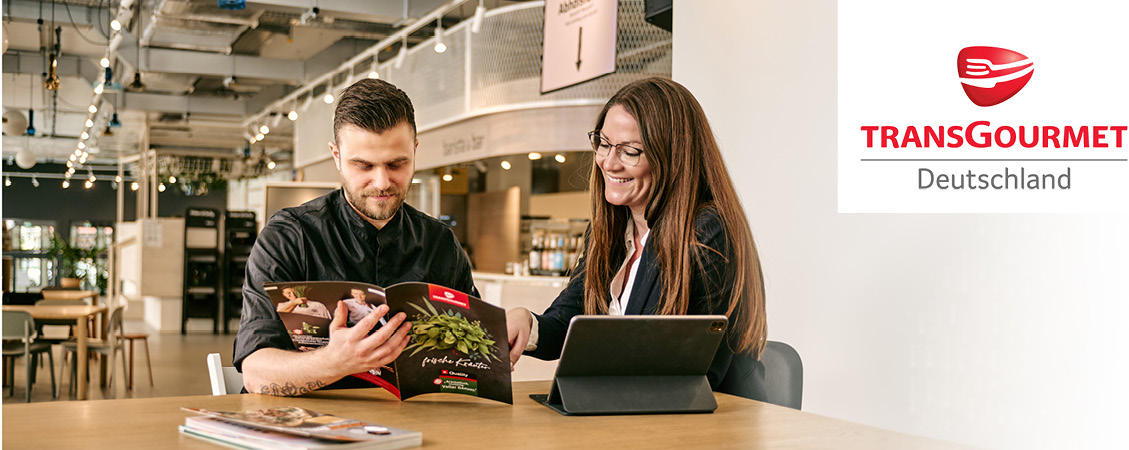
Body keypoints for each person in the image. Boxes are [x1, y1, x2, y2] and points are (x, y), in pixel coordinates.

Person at [506, 77, 769, 400]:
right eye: (603, 143)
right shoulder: (613, 229)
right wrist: (527, 324)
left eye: (630, 151)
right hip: (626, 413)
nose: (608, 162)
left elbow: (678, 368)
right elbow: (572, 322)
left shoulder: (706, 231)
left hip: (691, 427)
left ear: (673, 157)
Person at [235, 79, 480, 397]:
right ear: (336, 156)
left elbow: (469, 352)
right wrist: (336, 362)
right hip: (307, 430)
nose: (381, 182)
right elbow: (255, 374)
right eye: (363, 165)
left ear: (415, 150)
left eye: (397, 164)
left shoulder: (441, 244)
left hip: (417, 426)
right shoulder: (288, 237)